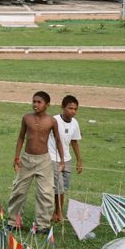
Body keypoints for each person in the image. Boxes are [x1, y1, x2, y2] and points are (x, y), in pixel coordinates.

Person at [6, 91, 64, 233]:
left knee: (45, 193)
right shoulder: (26, 118)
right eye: (34, 101)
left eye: (39, 102)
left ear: (47, 104)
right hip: (26, 159)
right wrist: (16, 157)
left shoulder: (52, 121)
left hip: (44, 160)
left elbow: (57, 140)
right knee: (18, 190)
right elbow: (21, 137)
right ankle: (13, 221)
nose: (35, 104)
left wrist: (62, 160)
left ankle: (42, 225)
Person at [49, 94, 83, 223]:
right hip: (54, 158)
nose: (73, 111)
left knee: (63, 187)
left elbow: (74, 142)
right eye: (70, 108)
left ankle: (58, 212)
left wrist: (79, 160)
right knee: (58, 187)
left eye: (75, 109)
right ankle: (56, 213)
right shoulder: (54, 120)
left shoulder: (75, 123)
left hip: (67, 159)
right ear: (62, 107)